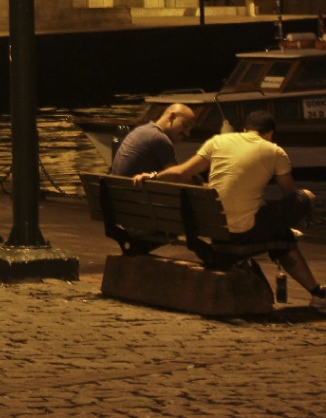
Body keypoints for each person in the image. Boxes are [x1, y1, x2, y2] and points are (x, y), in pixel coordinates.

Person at [137, 107, 325, 309]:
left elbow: (181, 172)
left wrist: (153, 176)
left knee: (278, 232)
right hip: (242, 233)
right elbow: (290, 193)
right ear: (269, 134)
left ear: (245, 130)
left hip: (214, 230)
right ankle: (317, 294)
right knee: (306, 197)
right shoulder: (275, 151)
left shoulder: (217, 141)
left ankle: (317, 292)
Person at [111, 103, 195, 176]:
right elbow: (176, 177)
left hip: (120, 191)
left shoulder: (142, 129)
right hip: (135, 193)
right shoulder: (159, 139)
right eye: (185, 125)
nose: (187, 133)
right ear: (172, 117)